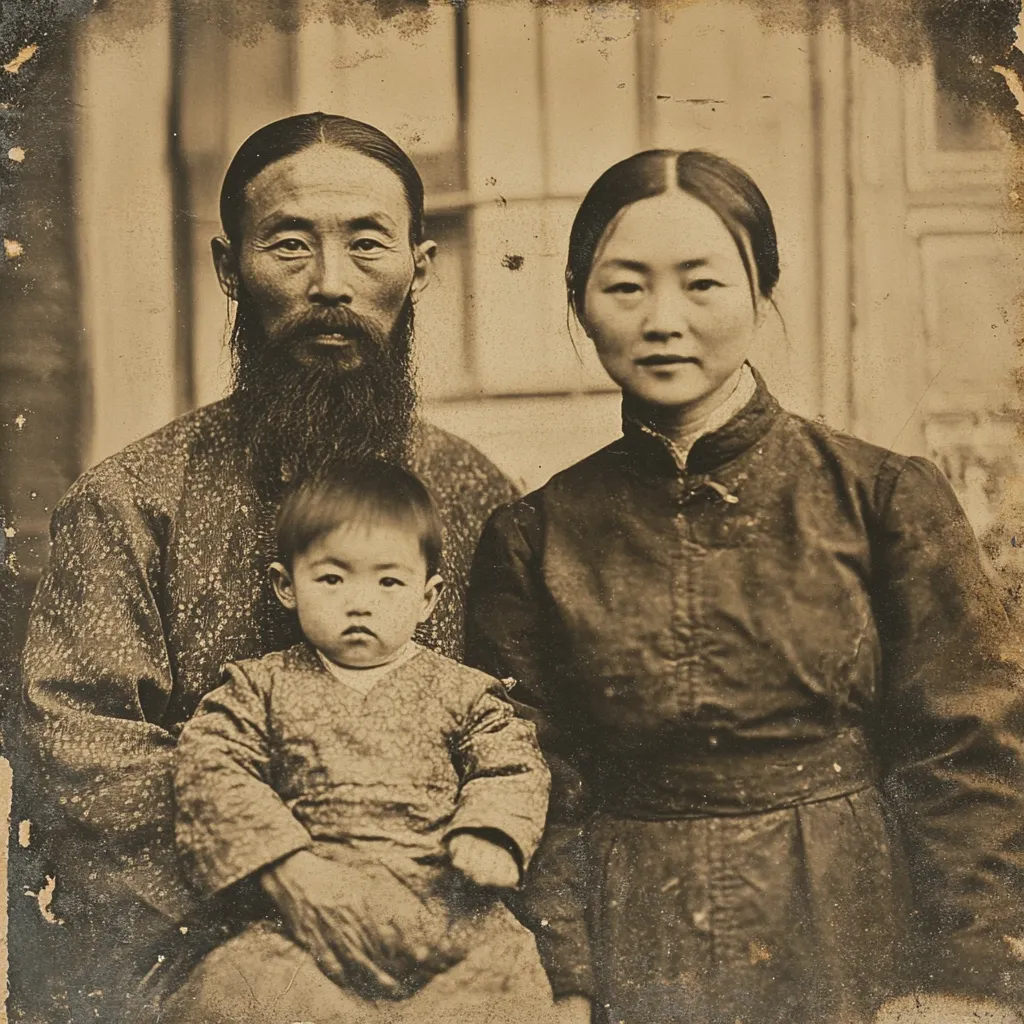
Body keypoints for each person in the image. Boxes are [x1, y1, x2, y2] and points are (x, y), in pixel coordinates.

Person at [465, 149, 1024, 1024]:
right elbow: (539, 776)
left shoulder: (880, 498)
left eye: (702, 284)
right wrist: (565, 980)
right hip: (631, 939)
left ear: (762, 289)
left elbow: (967, 743)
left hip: (848, 926)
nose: (664, 321)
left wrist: (957, 975)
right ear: (578, 298)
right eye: (625, 287)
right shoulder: (535, 538)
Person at [17, 113, 518, 1020]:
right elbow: (85, 751)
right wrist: (284, 875)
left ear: (422, 267)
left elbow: (523, 727)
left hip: (439, 930)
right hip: (194, 940)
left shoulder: (477, 496)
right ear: (227, 269)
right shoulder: (131, 500)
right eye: (289, 245)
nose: (331, 284)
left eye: (368, 245)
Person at [165, 460, 554, 1023]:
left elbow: (512, 764)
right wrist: (284, 858)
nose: (359, 602)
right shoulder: (257, 686)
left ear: (427, 597)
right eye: (331, 578)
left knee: (501, 982)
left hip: (443, 907)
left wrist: (491, 833)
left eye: (389, 580)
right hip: (309, 911)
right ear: (285, 586)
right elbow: (212, 764)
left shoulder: (467, 693)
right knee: (240, 984)